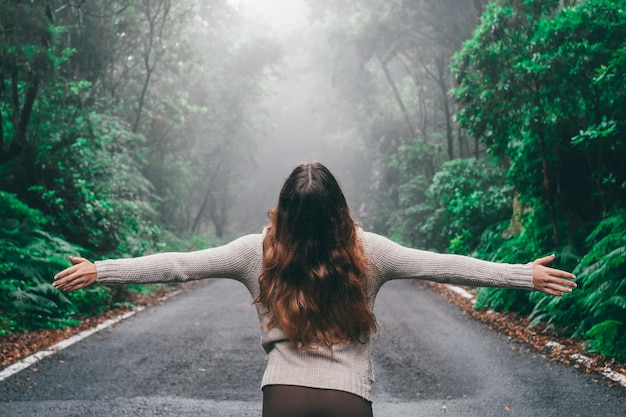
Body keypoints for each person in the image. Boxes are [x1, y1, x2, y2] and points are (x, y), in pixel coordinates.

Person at [53, 162, 577, 417]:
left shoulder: (253, 251)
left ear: (284, 206)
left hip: (281, 396)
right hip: (349, 398)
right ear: (340, 210)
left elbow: (177, 266)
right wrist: (522, 274)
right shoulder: (372, 251)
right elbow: (448, 265)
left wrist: (102, 269)